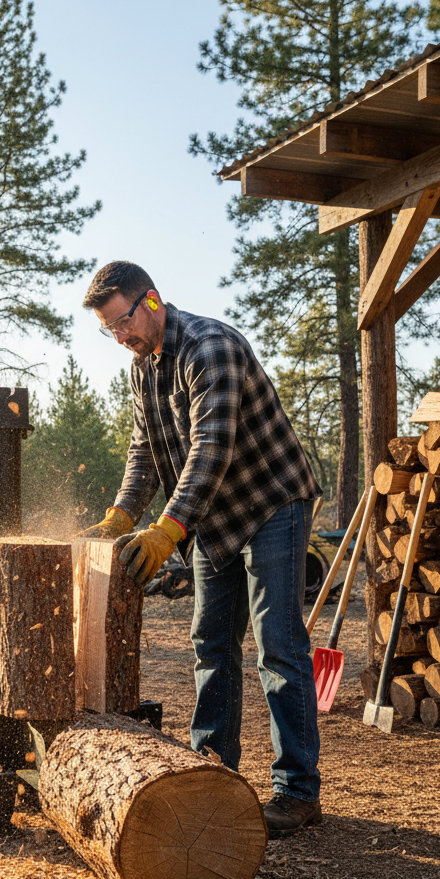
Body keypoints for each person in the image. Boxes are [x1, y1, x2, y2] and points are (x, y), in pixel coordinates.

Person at [79, 260, 323, 838]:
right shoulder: (142, 367)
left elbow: (210, 450)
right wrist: (120, 516)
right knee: (210, 643)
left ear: (152, 300)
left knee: (278, 646)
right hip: (212, 517)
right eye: (110, 330)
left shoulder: (209, 347)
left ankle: (297, 792)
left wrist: (166, 531)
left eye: (124, 322)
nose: (121, 337)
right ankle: (212, 773)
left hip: (270, 504)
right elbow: (144, 451)